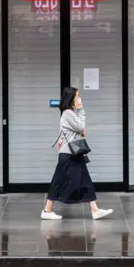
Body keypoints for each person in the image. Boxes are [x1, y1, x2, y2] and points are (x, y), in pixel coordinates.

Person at [41, 87, 113, 221]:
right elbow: (80, 127)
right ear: (72, 98)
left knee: (84, 180)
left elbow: (75, 129)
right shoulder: (68, 113)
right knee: (59, 181)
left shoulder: (68, 113)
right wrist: (81, 110)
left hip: (71, 154)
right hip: (69, 154)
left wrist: (80, 128)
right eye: (77, 96)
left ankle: (95, 209)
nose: (79, 99)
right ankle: (47, 210)